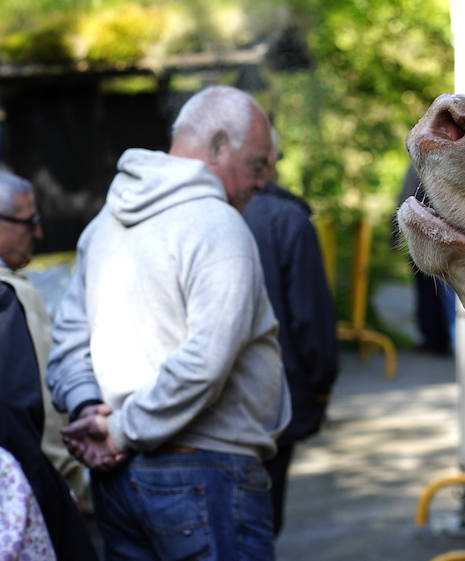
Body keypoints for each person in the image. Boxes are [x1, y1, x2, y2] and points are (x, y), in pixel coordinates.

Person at [46, 85, 290, 561]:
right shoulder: (219, 227)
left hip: (117, 479)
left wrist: (89, 410)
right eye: (259, 164)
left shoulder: (103, 225)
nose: (264, 183)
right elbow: (204, 364)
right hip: (207, 474)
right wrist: (116, 431)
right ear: (218, 145)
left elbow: (68, 343)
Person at [243, 133, 340, 536]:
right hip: (275, 401)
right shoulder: (288, 220)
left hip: (203, 412)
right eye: (276, 157)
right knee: (261, 525)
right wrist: (320, 387)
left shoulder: (185, 215)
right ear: (264, 161)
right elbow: (310, 319)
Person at [0, 170, 89, 509]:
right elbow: (43, 403)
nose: (38, 232)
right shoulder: (14, 294)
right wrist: (69, 480)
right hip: (28, 491)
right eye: (28, 221)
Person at [0, 281, 99, 560]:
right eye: (30, 231)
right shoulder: (9, 297)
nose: (38, 234)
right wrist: (69, 475)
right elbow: (17, 413)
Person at [395, 165, 455, 355]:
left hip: (422, 242)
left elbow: (404, 197)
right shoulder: (450, 162)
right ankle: (448, 338)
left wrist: (394, 235)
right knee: (447, 294)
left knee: (428, 293)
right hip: (451, 240)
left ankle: (433, 338)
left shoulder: (415, 166)